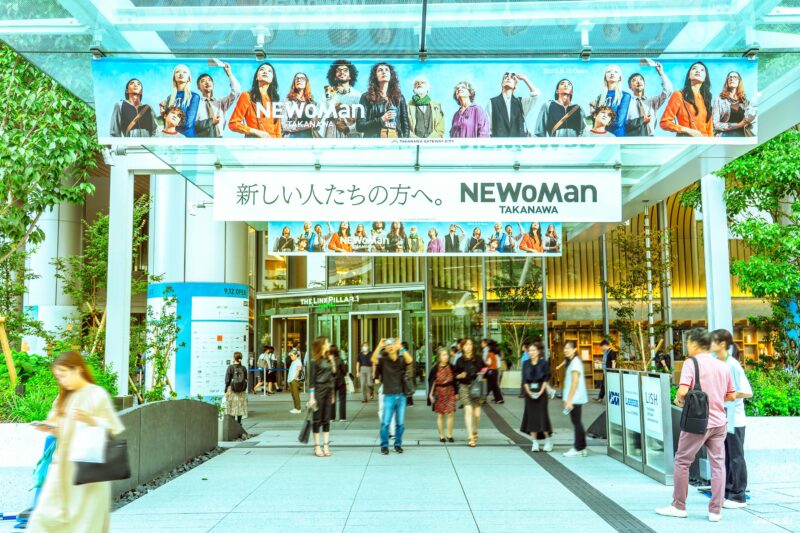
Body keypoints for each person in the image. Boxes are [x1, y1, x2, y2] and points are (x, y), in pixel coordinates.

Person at [27, 351, 124, 533]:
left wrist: (90, 420)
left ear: (78, 369)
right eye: (58, 377)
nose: (61, 380)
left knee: (85, 522)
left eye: (64, 375)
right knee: (44, 518)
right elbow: (57, 425)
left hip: (89, 468)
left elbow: (112, 428)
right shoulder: (63, 398)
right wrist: (49, 428)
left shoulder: (97, 394)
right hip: (62, 467)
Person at [657, 328, 735, 522]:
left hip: (697, 422)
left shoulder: (691, 363)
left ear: (694, 343)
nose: (687, 346)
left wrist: (678, 399)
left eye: (688, 343)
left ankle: (679, 506)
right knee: (718, 465)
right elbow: (731, 395)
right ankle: (715, 511)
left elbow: (683, 391)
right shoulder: (723, 366)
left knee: (682, 461)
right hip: (720, 422)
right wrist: (714, 399)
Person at [710, 329, 753, 510]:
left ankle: (738, 496)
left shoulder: (733, 365)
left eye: (712, 341)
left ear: (722, 344)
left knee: (735, 457)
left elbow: (747, 392)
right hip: (722, 417)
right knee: (725, 456)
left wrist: (726, 395)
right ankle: (728, 493)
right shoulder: (716, 362)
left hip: (734, 418)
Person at [372, 338, 413, 455]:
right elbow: (373, 359)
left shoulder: (401, 360)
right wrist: (379, 346)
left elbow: (410, 360)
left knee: (400, 424)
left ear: (396, 346)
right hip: (388, 395)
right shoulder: (383, 361)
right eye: (387, 345)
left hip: (401, 395)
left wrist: (401, 348)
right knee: (385, 423)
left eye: (392, 345)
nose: (390, 347)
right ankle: (384, 446)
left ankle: (397, 445)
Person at [660, 61, 713, 137]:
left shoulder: (706, 100)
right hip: (686, 141)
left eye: (702, 70)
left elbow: (710, 130)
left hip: (704, 142)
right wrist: (687, 130)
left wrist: (710, 143)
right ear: (689, 76)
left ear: (705, 78)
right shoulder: (679, 95)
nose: (698, 71)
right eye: (694, 68)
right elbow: (664, 122)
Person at [229, 61, 282, 138]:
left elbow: (278, 132)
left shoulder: (275, 101)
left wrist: (279, 145)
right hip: (254, 143)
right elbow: (233, 124)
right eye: (262, 69)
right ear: (256, 77)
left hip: (272, 143)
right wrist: (255, 131)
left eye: (269, 71)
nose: (265, 72)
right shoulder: (247, 96)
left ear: (272, 79)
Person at [356, 62, 409, 138]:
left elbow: (405, 125)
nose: (384, 72)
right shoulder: (366, 97)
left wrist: (404, 141)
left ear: (391, 75)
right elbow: (359, 126)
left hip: (395, 139)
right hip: (374, 140)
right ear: (375, 76)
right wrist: (381, 120)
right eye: (380, 70)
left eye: (387, 70)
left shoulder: (399, 97)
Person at [521, 342, 553, 452]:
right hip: (529, 393)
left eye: (534, 350)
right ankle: (534, 442)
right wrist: (529, 392)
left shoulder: (544, 363)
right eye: (530, 350)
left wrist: (540, 392)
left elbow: (546, 379)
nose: (531, 352)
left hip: (541, 393)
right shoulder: (525, 363)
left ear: (538, 351)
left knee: (542, 416)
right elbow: (524, 379)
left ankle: (548, 440)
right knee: (531, 418)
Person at [624, 61, 672, 137]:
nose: (638, 81)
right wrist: (641, 120)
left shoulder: (652, 101)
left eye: (640, 79)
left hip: (650, 138)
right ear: (630, 87)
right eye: (634, 80)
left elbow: (668, 91)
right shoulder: (626, 103)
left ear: (644, 83)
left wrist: (661, 73)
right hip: (632, 138)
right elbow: (623, 123)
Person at [486, 71, 540, 137]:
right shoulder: (492, 103)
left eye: (512, 78)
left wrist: (525, 79)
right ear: (502, 83)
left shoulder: (520, 103)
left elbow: (535, 96)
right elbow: (487, 129)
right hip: (499, 143)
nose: (508, 78)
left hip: (518, 143)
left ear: (515, 85)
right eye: (505, 77)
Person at [194, 62, 241, 138]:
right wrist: (210, 122)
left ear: (213, 84)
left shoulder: (221, 102)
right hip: (201, 140)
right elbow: (192, 124)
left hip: (219, 140)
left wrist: (229, 73)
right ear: (198, 87)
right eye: (203, 81)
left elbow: (237, 91)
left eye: (209, 80)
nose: (207, 82)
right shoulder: (196, 104)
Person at [307, 336, 336, 457]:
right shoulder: (314, 361)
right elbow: (312, 381)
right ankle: (317, 446)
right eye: (327, 342)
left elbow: (333, 374)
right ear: (322, 344)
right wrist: (311, 397)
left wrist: (332, 361)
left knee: (327, 419)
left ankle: (326, 446)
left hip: (328, 390)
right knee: (317, 419)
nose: (329, 344)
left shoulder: (328, 358)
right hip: (318, 391)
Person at [454, 338, 485, 447]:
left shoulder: (478, 359)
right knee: (468, 411)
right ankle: (470, 436)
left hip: (476, 387)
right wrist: (459, 375)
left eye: (470, 344)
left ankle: (475, 429)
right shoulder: (459, 360)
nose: (469, 346)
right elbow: (454, 375)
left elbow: (485, 370)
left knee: (477, 415)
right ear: (462, 347)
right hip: (464, 387)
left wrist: (482, 373)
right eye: (466, 345)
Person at [562, 340, 589, 457]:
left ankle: (578, 448)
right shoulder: (573, 362)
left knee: (576, 422)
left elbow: (574, 383)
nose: (566, 350)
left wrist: (569, 400)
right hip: (575, 397)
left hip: (575, 398)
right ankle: (582, 447)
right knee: (577, 422)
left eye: (568, 348)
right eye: (565, 348)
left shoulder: (575, 363)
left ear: (574, 349)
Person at [322, 60, 362, 138]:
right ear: (334, 77)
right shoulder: (325, 96)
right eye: (338, 70)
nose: (342, 72)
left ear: (350, 76)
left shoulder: (358, 96)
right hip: (331, 136)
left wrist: (348, 129)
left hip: (352, 137)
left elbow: (362, 121)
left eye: (345, 70)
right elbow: (319, 116)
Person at [589, 64, 631, 137]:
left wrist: (601, 121)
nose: (612, 73)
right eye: (608, 71)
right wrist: (592, 110)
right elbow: (595, 120)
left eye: (615, 72)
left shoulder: (625, 96)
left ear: (619, 77)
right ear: (605, 76)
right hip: (601, 135)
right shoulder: (600, 97)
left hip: (617, 136)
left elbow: (619, 122)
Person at [159, 64, 200, 138]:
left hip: (187, 138)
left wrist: (170, 119)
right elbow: (166, 122)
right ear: (174, 77)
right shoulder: (170, 97)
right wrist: (163, 113)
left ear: (188, 78)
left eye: (184, 72)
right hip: (170, 136)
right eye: (177, 72)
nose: (181, 74)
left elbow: (188, 123)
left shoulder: (194, 96)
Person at [712, 71, 756, 137]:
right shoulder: (719, 100)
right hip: (725, 136)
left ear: (739, 81)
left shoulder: (745, 101)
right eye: (730, 77)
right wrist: (739, 125)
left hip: (743, 136)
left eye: (735, 77)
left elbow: (752, 118)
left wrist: (749, 119)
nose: (732, 79)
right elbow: (715, 124)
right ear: (727, 81)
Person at [428, 347, 457, 443]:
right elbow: (432, 382)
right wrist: (430, 394)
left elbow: (455, 380)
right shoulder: (435, 369)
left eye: (447, 355)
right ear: (439, 357)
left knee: (451, 413)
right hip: (439, 392)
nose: (446, 357)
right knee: (440, 415)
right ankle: (441, 435)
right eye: (443, 355)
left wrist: (456, 393)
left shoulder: (451, 367)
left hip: (450, 391)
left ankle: (449, 434)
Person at [282, 72, 319, 138]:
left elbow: (317, 126)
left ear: (306, 82)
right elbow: (283, 125)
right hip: (291, 137)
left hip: (309, 137)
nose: (299, 80)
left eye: (302, 78)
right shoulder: (287, 101)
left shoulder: (312, 102)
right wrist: (305, 126)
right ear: (294, 82)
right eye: (297, 78)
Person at [224, 352, 248, 424]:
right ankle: (239, 423)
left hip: (232, 389)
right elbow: (245, 379)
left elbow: (227, 380)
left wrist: (225, 390)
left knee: (232, 406)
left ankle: (233, 423)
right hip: (241, 390)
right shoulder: (243, 368)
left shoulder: (230, 367)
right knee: (240, 406)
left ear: (234, 358)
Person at [330, 345, 348, 422]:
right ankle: (342, 417)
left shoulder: (328, 361)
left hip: (331, 382)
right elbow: (344, 371)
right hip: (341, 382)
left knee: (332, 399)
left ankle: (331, 417)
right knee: (342, 399)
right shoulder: (340, 360)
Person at [287, 348, 302, 413]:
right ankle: (296, 408)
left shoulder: (298, 361)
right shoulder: (293, 361)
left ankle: (298, 409)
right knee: (293, 395)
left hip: (293, 380)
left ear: (296, 355)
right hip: (290, 380)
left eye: (292, 355)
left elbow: (299, 370)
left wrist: (295, 378)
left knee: (296, 395)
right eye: (290, 355)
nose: (291, 357)